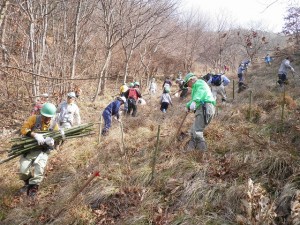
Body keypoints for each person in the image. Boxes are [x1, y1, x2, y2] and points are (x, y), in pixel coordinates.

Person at [19, 103, 59, 198]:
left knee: (39, 168)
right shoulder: (33, 119)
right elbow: (24, 129)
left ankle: (33, 189)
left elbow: (57, 137)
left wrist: (52, 141)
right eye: (45, 116)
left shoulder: (54, 124)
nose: (47, 119)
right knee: (23, 171)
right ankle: (28, 182)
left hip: (43, 151)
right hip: (29, 149)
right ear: (41, 114)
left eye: (49, 117)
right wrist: (35, 135)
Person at [183, 73, 216, 151]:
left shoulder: (199, 83)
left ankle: (202, 153)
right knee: (193, 130)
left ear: (191, 80)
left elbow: (200, 93)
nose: (188, 86)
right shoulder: (195, 88)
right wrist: (188, 105)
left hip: (205, 107)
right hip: (203, 108)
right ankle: (190, 150)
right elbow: (194, 98)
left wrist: (195, 101)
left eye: (188, 84)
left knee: (197, 131)